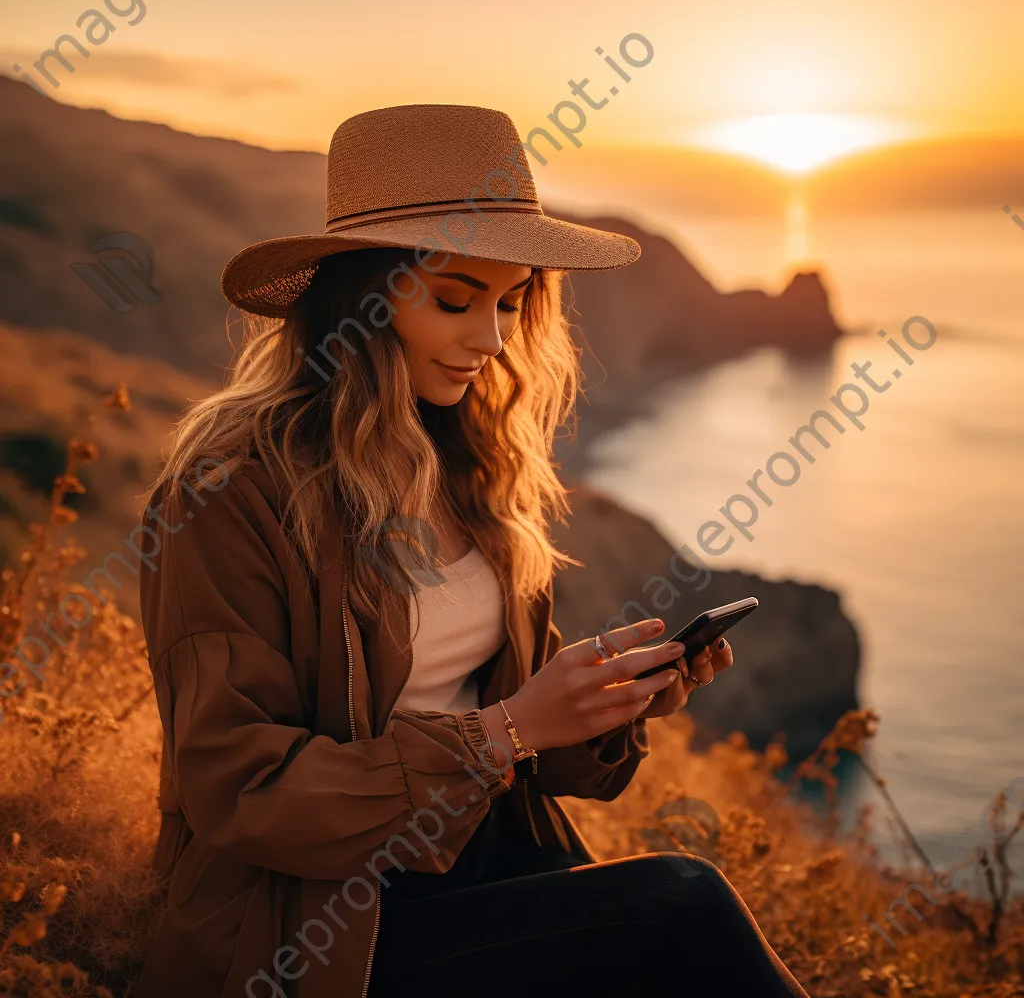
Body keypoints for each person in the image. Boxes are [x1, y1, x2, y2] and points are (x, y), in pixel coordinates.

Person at [136, 104, 810, 998]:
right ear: (364, 295)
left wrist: (602, 712)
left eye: (509, 300)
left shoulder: (469, 465)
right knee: (680, 904)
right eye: (455, 299)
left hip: (490, 872)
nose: (491, 340)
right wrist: (512, 727)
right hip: (321, 929)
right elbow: (240, 791)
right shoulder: (231, 494)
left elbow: (529, 756)